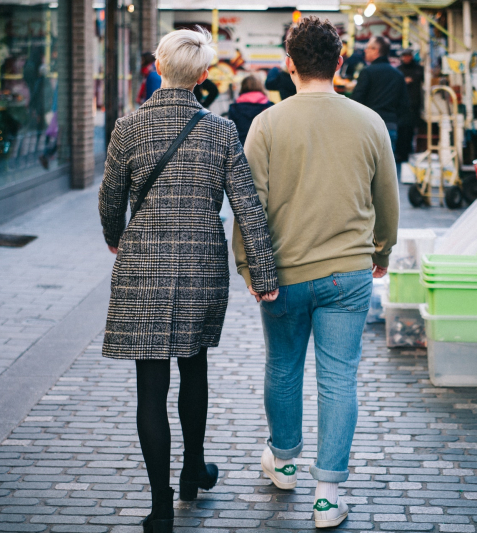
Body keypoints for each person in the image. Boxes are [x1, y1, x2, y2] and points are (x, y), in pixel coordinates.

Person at [99, 27, 279, 533]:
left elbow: (111, 199)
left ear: (158, 66)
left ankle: (160, 509)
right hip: (201, 260)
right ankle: (193, 471)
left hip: (143, 263)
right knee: (194, 363)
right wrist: (263, 273)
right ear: (204, 77)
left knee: (150, 384)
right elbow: (248, 207)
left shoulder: (127, 128)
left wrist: (116, 236)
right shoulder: (221, 132)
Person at [233, 16, 400, 529]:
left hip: (282, 272)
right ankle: (327, 496)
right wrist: (382, 253)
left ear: (288, 63)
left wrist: (248, 268)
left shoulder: (267, 123)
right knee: (338, 378)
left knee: (282, 368)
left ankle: (283, 463)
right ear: (341, 61)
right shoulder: (368, 121)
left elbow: (248, 206)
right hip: (347, 274)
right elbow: (387, 202)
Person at [351, 36, 410, 156]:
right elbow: (404, 105)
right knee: (388, 170)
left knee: (369, 169)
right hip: (390, 127)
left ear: (376, 50)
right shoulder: (398, 75)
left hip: (369, 128)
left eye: (368, 48)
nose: (365, 50)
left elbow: (356, 102)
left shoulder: (367, 72)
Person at [395, 49, 424, 165]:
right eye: (404, 56)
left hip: (415, 105)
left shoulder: (419, 69)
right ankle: (401, 154)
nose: (407, 58)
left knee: (410, 131)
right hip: (401, 106)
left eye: (408, 56)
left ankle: (408, 153)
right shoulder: (398, 71)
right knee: (401, 130)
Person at [227, 75, 273, 145]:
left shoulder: (234, 107)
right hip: (263, 148)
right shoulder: (270, 106)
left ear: (242, 87)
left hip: (241, 147)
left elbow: (231, 134)